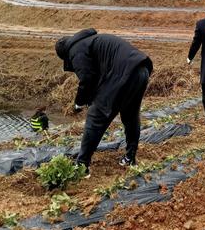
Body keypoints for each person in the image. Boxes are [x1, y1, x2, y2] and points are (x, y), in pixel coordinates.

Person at [55, 28, 153, 172]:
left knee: (96, 117)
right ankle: (130, 158)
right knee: (130, 115)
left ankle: (82, 166)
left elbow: (87, 79)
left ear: (64, 54)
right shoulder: (90, 41)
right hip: (141, 69)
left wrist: (79, 103)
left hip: (124, 75)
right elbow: (97, 76)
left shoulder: (75, 50)